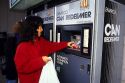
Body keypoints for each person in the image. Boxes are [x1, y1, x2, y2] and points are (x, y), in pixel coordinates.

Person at [14, 16, 74, 83]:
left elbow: (51, 46)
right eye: (40, 27)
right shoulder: (22, 47)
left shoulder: (40, 41)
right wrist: (41, 60)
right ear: (34, 28)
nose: (42, 30)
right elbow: (21, 68)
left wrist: (66, 44)